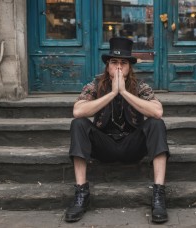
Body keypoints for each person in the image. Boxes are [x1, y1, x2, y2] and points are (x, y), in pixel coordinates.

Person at [64, 37, 170, 223]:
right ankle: (82, 192)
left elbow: (158, 111)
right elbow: (77, 110)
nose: (119, 67)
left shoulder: (141, 87)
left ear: (130, 67)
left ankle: (159, 195)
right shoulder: (94, 85)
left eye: (123, 63)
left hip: (132, 146)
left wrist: (124, 92)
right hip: (104, 145)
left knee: (156, 124)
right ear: (107, 66)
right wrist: (113, 93)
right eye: (114, 62)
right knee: (78, 123)